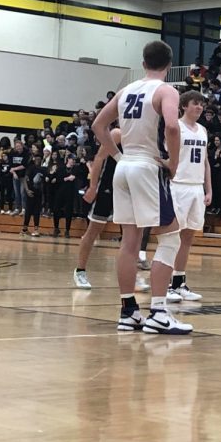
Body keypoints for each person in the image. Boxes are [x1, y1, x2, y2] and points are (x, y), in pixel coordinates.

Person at [92, 40, 192, 335]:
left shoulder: (125, 91)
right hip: (148, 166)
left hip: (123, 168)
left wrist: (118, 156)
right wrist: (173, 163)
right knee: (171, 237)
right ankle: (159, 312)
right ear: (169, 65)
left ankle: (128, 312)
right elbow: (173, 127)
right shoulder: (166, 90)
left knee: (129, 242)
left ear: (143, 61)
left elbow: (99, 125)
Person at [164, 90, 210, 301]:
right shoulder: (175, 128)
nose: (199, 107)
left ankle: (178, 282)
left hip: (196, 187)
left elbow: (205, 161)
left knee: (188, 237)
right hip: (178, 185)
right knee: (172, 236)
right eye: (195, 103)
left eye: (201, 104)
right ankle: (165, 284)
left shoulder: (203, 130)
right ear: (184, 105)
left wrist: (208, 189)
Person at [72, 128, 120, 290]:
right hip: (107, 187)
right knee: (94, 230)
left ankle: (132, 274)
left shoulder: (143, 135)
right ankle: (80, 271)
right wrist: (92, 187)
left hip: (127, 189)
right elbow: (99, 158)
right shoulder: (117, 134)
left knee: (131, 234)